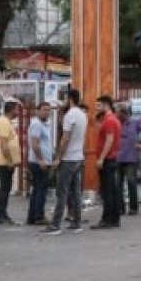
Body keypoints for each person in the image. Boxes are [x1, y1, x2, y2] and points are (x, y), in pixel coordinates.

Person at [43, 89, 85, 235]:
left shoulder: (70, 115)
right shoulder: (82, 115)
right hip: (79, 157)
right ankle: (76, 222)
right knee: (76, 192)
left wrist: (58, 158)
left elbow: (65, 138)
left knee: (62, 192)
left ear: (70, 99)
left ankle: (55, 224)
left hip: (68, 158)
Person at [93, 96, 123, 229]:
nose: (97, 108)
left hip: (108, 159)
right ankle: (114, 218)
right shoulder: (112, 120)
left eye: (99, 105)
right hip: (111, 158)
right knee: (112, 189)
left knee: (107, 191)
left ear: (106, 105)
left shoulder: (109, 120)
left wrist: (101, 158)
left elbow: (109, 140)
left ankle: (107, 219)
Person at [0, 101, 22, 226]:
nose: (18, 112)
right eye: (16, 110)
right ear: (11, 110)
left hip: (6, 161)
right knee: (4, 189)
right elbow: (4, 144)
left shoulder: (5, 122)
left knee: (5, 188)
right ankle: (1, 215)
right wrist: (9, 160)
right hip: (5, 162)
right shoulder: (4, 122)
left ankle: (3, 214)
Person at [26, 102, 53, 225]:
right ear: (38, 111)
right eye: (44, 110)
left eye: (48, 110)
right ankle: (38, 216)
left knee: (38, 189)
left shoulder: (43, 124)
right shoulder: (36, 124)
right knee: (41, 189)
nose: (46, 112)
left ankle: (33, 216)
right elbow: (35, 144)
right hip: (38, 162)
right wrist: (41, 159)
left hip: (41, 161)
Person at [115, 104, 141, 216]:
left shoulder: (136, 122)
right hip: (118, 157)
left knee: (131, 182)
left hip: (131, 157)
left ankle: (133, 208)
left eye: (118, 112)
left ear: (124, 113)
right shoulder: (117, 123)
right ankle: (120, 208)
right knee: (118, 183)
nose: (116, 114)